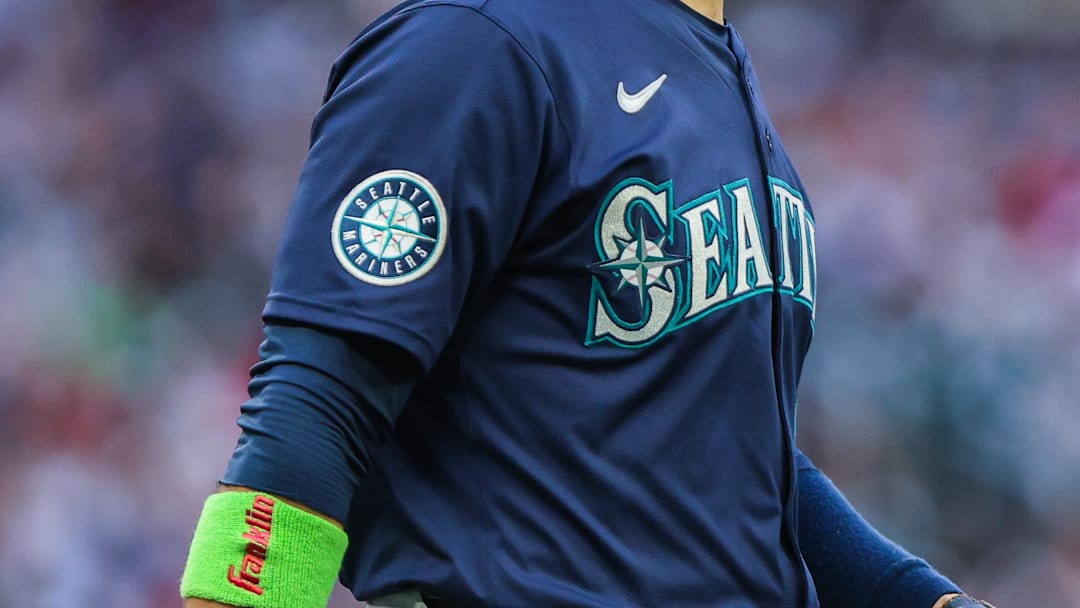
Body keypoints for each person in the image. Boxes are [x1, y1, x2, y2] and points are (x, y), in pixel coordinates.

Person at [181, 1, 997, 607]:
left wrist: (915, 597)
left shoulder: (710, 61)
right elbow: (311, 413)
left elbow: (731, 457)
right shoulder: (478, 42)